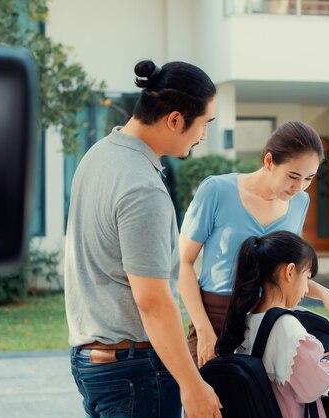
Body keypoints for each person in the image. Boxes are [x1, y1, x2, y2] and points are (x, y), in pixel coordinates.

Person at [65, 59, 222, 418]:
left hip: (97, 364)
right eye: (204, 124)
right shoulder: (142, 188)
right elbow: (153, 301)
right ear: (175, 120)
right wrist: (192, 385)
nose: (204, 136)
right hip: (134, 371)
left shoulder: (98, 156)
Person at [178, 121, 329, 367]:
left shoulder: (299, 202)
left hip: (269, 324)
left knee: (262, 405)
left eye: (309, 178)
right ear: (269, 161)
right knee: (207, 403)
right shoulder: (216, 190)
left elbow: (285, 273)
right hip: (216, 321)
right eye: (293, 176)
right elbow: (183, 262)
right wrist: (204, 330)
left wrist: (326, 295)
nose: (299, 187)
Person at [216, 231, 329, 418]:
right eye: (306, 277)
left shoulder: (248, 318)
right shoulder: (289, 327)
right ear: (290, 272)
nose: (306, 289)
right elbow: (311, 388)